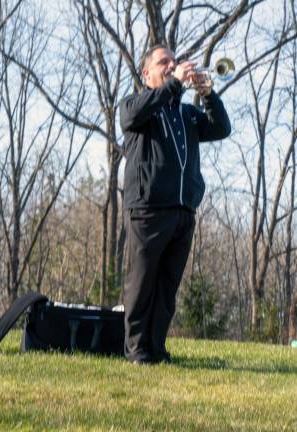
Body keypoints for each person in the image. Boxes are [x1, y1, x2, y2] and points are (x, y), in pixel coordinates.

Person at [119, 44, 231, 365]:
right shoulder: (135, 105)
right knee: (142, 284)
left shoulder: (186, 113)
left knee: (167, 287)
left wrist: (207, 94)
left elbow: (221, 128)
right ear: (146, 73)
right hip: (148, 209)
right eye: (163, 62)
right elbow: (132, 115)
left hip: (183, 211)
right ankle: (137, 351)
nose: (171, 65)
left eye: (173, 61)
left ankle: (157, 349)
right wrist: (176, 83)